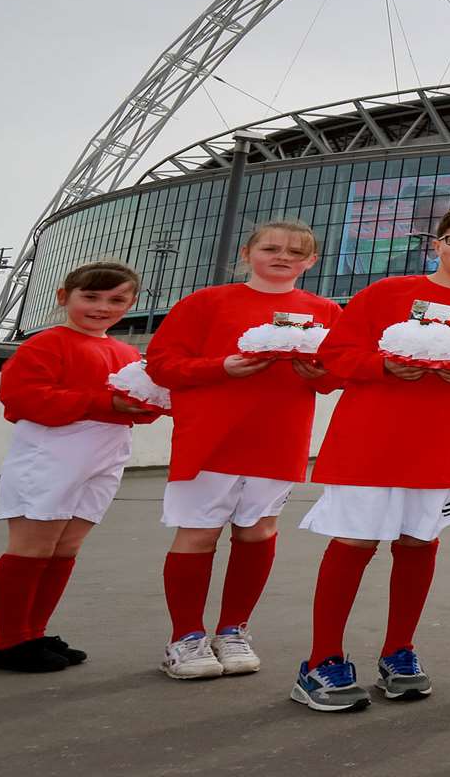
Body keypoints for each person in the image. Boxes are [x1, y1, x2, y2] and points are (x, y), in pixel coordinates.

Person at [288, 206, 450, 712]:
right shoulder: (387, 292)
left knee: (417, 543)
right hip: (368, 442)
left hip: (438, 446)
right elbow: (336, 354)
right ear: (437, 242)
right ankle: (321, 660)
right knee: (354, 543)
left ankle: (399, 652)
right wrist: (383, 365)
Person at [149, 220, 340, 680]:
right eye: (271, 248)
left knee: (258, 531)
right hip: (210, 438)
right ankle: (186, 637)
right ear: (246, 253)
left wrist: (320, 376)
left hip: (279, 438)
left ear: (311, 261)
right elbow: (161, 364)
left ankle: (233, 630)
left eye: (296, 252)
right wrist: (222, 367)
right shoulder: (205, 302)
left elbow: (337, 373)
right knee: (198, 533)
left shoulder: (326, 310)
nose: (283, 257)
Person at [0, 261, 156, 673]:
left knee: (64, 548)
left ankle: (33, 632)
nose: (102, 307)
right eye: (91, 297)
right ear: (65, 298)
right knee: (32, 548)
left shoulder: (127, 352)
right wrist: (105, 403)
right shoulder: (43, 345)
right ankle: (8, 642)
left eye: (117, 299)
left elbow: (141, 405)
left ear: (132, 303)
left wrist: (151, 405)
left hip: (105, 452)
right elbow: (21, 398)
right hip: (50, 452)